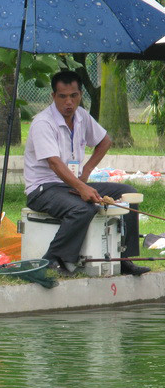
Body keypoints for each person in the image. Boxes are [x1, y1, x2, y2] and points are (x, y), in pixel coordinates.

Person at [23, 69, 149, 276]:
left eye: (74, 96)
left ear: (80, 95)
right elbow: (54, 163)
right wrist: (81, 186)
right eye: (62, 96)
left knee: (127, 193)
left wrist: (86, 172)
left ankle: (123, 258)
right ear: (53, 96)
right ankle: (53, 259)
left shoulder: (81, 116)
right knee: (83, 208)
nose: (68, 102)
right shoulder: (42, 123)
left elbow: (105, 141)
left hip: (70, 185)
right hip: (42, 189)